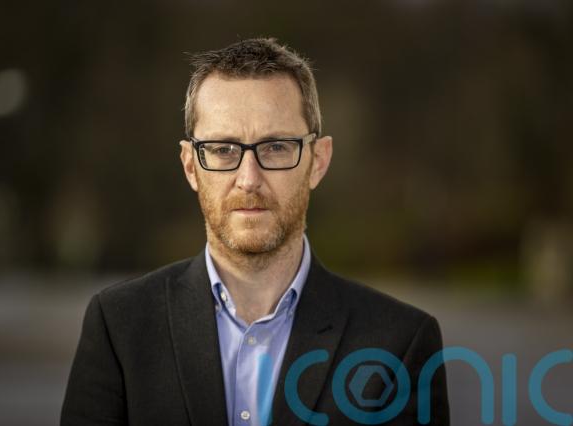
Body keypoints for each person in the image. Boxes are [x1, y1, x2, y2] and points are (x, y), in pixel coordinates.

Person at [61, 37, 450, 426]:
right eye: (223, 150)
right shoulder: (119, 327)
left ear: (318, 161)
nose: (249, 179)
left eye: (276, 147)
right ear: (190, 166)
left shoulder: (401, 343)